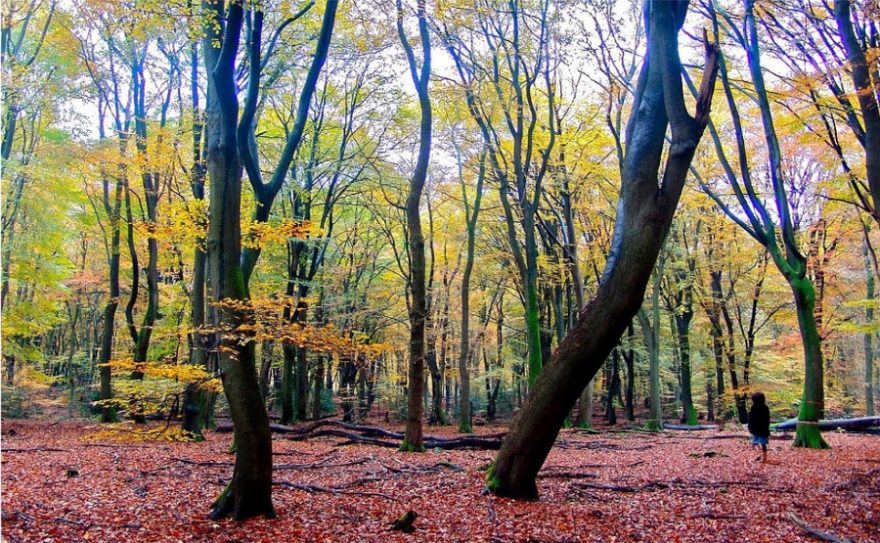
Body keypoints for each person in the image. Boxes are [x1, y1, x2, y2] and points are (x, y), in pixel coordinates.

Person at [747, 391, 770, 463]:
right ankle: (764, 458)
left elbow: (751, 419)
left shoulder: (753, 407)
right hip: (763, 429)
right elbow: (767, 418)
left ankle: (759, 456)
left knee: (755, 443)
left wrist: (750, 427)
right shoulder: (765, 407)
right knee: (763, 444)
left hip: (756, 429)